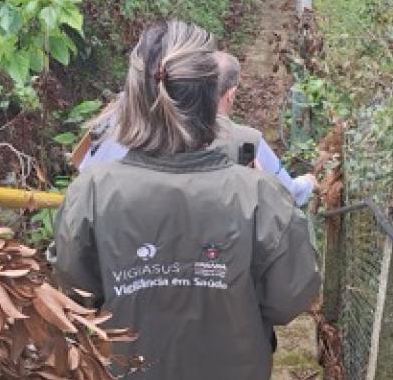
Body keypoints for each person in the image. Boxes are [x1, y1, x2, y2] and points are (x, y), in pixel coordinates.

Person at [54, 21, 321, 380]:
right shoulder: (260, 196)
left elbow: (75, 291)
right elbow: (290, 298)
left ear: (133, 96)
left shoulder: (91, 192)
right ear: (215, 98)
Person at [75, 53, 316, 207]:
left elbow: (82, 167)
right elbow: (289, 195)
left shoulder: (116, 116)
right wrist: (310, 183)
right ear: (230, 95)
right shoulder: (243, 141)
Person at [213, 51, 316, 206]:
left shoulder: (169, 135)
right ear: (231, 94)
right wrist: (308, 183)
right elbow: (287, 192)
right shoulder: (248, 142)